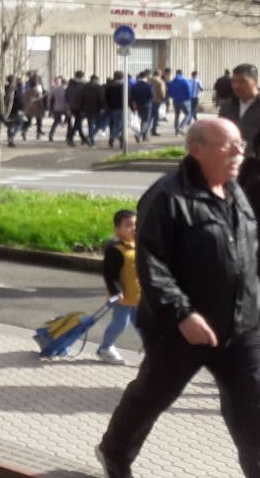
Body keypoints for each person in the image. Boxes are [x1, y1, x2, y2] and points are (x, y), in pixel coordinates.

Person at [99, 118, 260, 477]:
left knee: (253, 411)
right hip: (179, 331)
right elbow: (151, 265)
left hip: (240, 327)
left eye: (241, 145)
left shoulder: (236, 191)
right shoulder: (166, 198)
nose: (238, 152)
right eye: (227, 145)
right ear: (196, 149)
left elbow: (249, 252)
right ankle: (114, 453)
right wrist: (182, 314)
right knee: (150, 399)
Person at [96, 210, 139, 366]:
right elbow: (110, 274)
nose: (133, 228)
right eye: (128, 225)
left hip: (138, 296)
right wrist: (116, 292)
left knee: (142, 325)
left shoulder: (137, 245)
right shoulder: (116, 249)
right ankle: (105, 348)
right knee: (120, 323)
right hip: (122, 297)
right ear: (117, 229)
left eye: (135, 225)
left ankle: (152, 350)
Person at [220, 64, 260, 156]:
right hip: (230, 162)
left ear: (256, 81)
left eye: (243, 81)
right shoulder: (227, 106)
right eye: (234, 81)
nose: (236, 86)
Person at [131, 70, 156, 143]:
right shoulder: (148, 86)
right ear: (146, 77)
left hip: (138, 104)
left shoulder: (134, 86)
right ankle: (139, 134)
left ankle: (145, 137)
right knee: (146, 121)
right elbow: (152, 96)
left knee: (142, 120)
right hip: (147, 105)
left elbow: (132, 97)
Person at [168, 69, 192, 135]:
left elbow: (169, 93)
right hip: (184, 101)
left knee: (177, 115)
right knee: (188, 114)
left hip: (175, 101)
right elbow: (188, 91)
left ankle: (176, 131)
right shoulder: (184, 81)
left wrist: (174, 96)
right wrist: (188, 99)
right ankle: (181, 127)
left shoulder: (171, 82)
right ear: (182, 73)